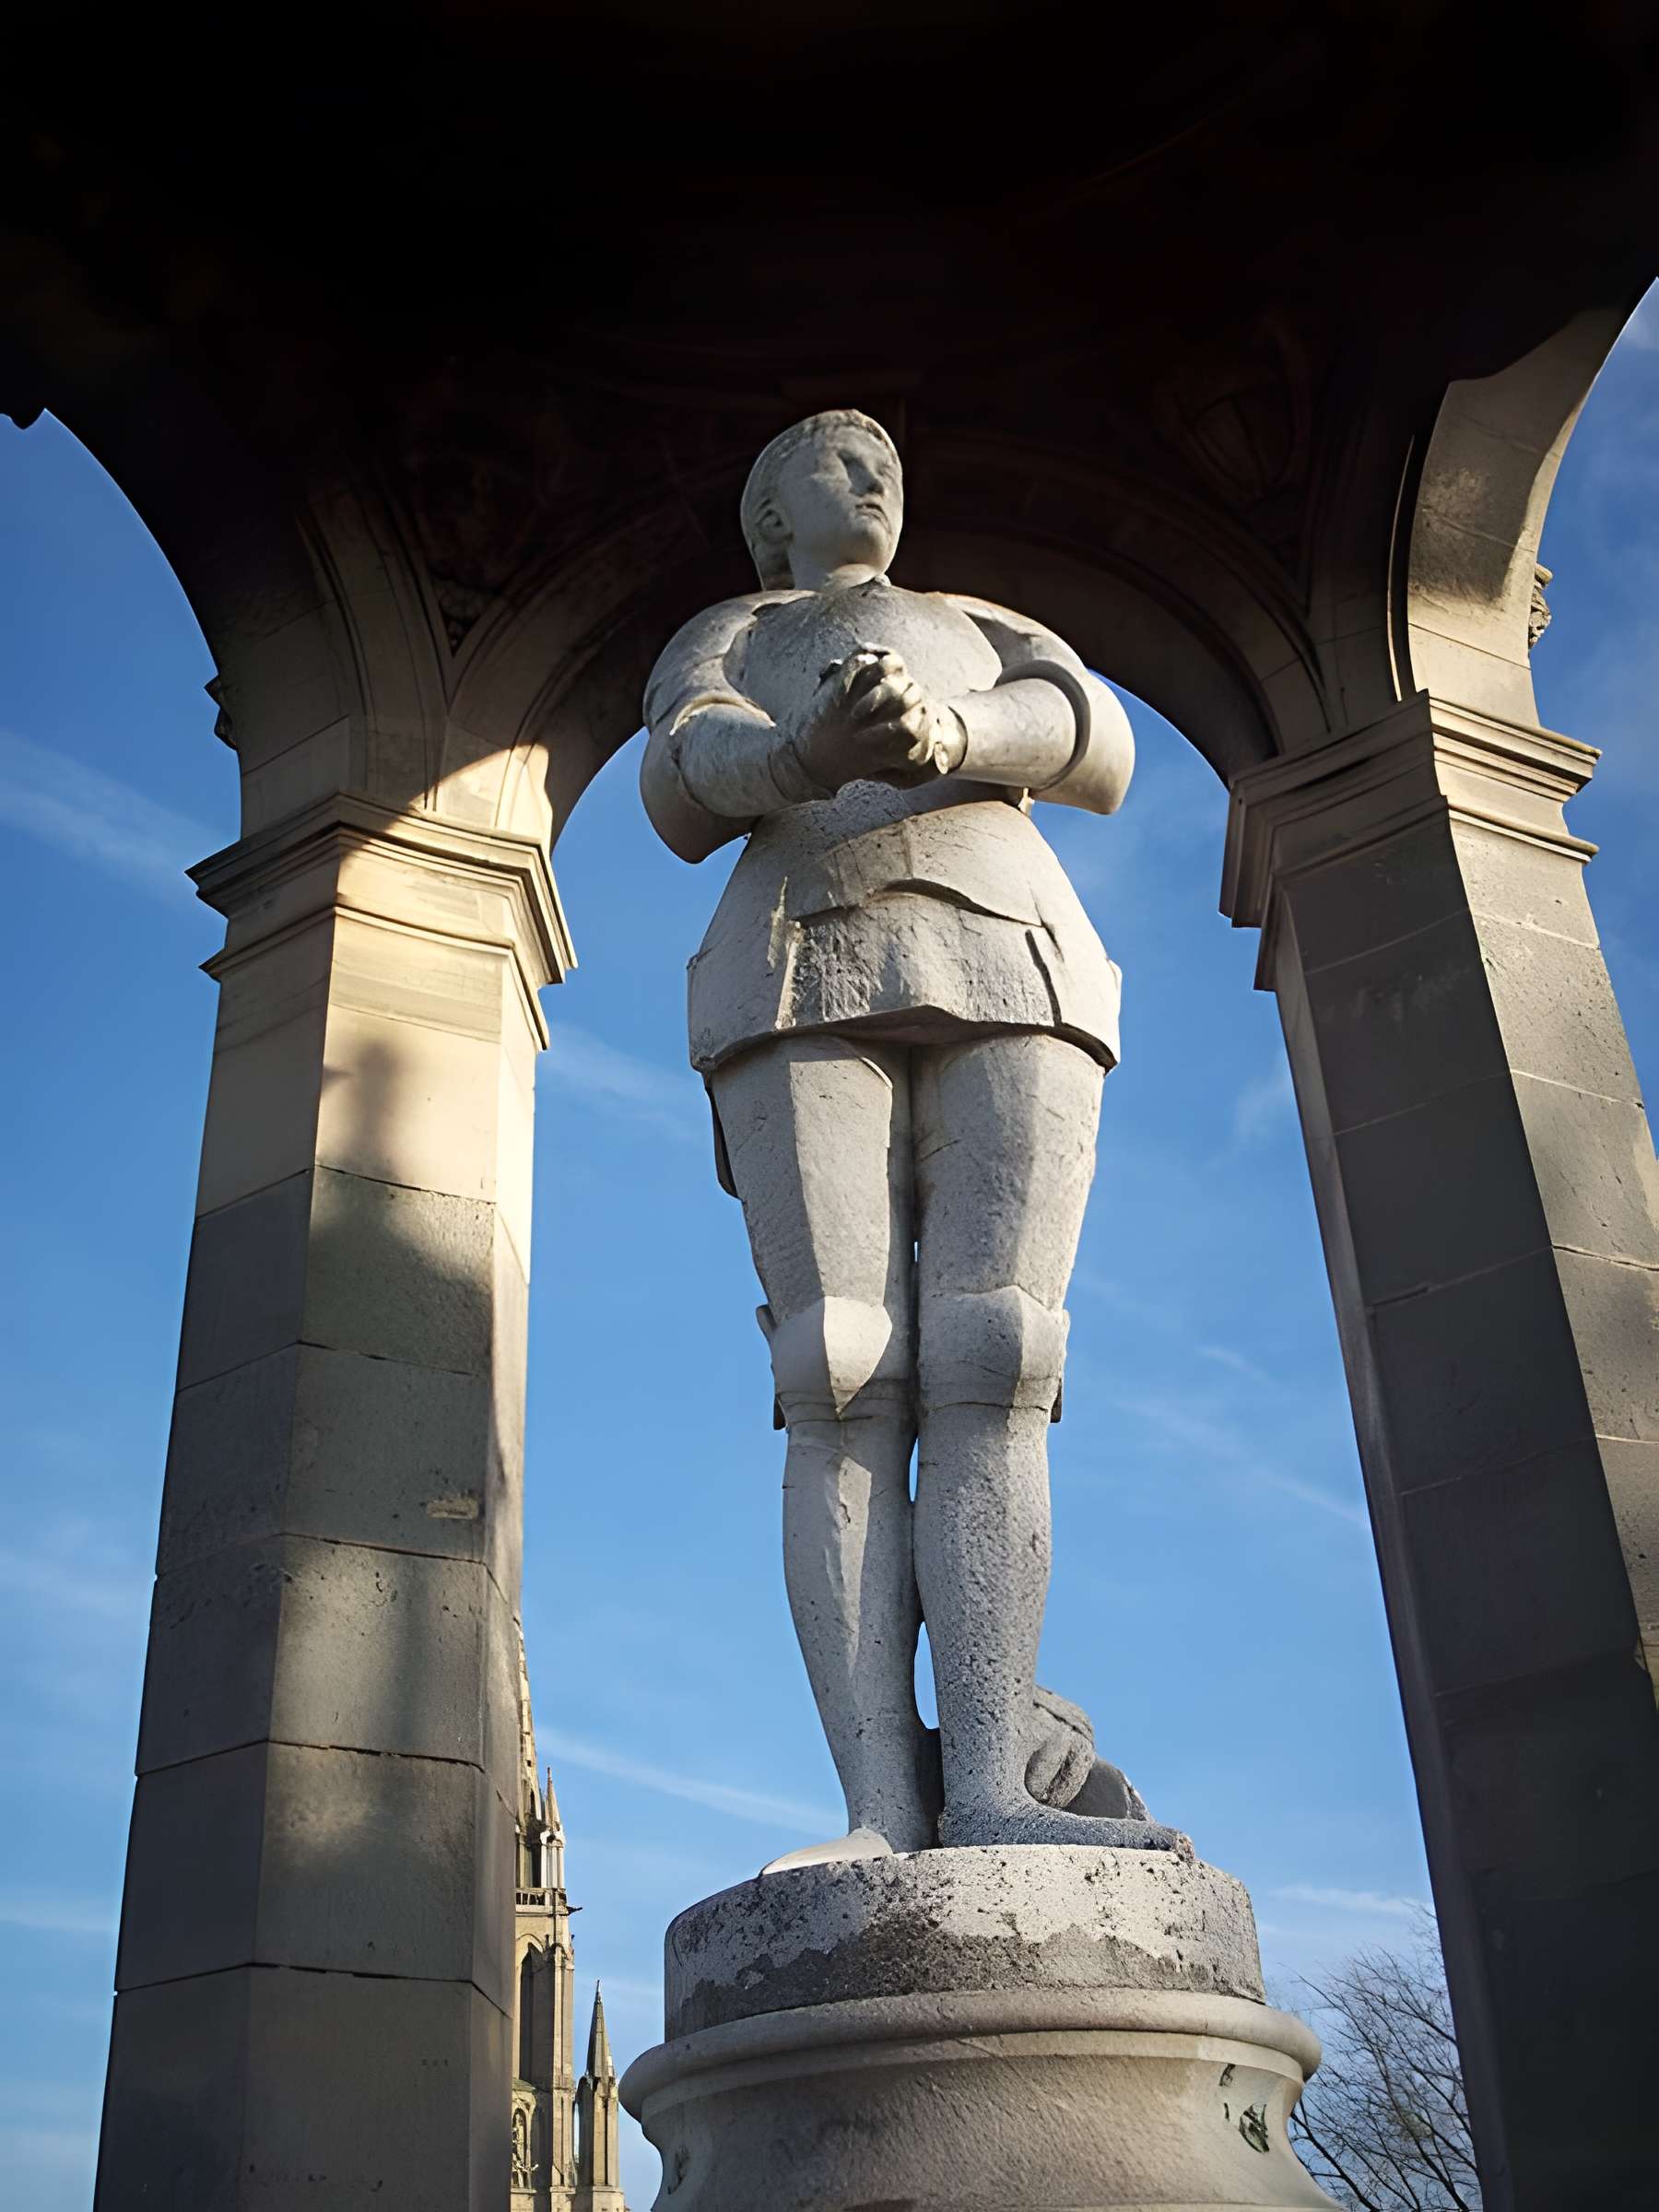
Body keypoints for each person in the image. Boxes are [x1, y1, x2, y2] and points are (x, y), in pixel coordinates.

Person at [641, 409, 1181, 1865]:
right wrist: (807, 752)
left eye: (888, 461)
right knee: (837, 1368)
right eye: (836, 460)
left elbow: (1095, 734)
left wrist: (960, 730)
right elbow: (679, 775)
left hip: (1015, 949)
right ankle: (885, 1803)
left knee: (999, 1353)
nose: (876, 477)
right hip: (794, 963)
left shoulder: (975, 618)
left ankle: (997, 1780)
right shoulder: (732, 628)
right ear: (769, 510)